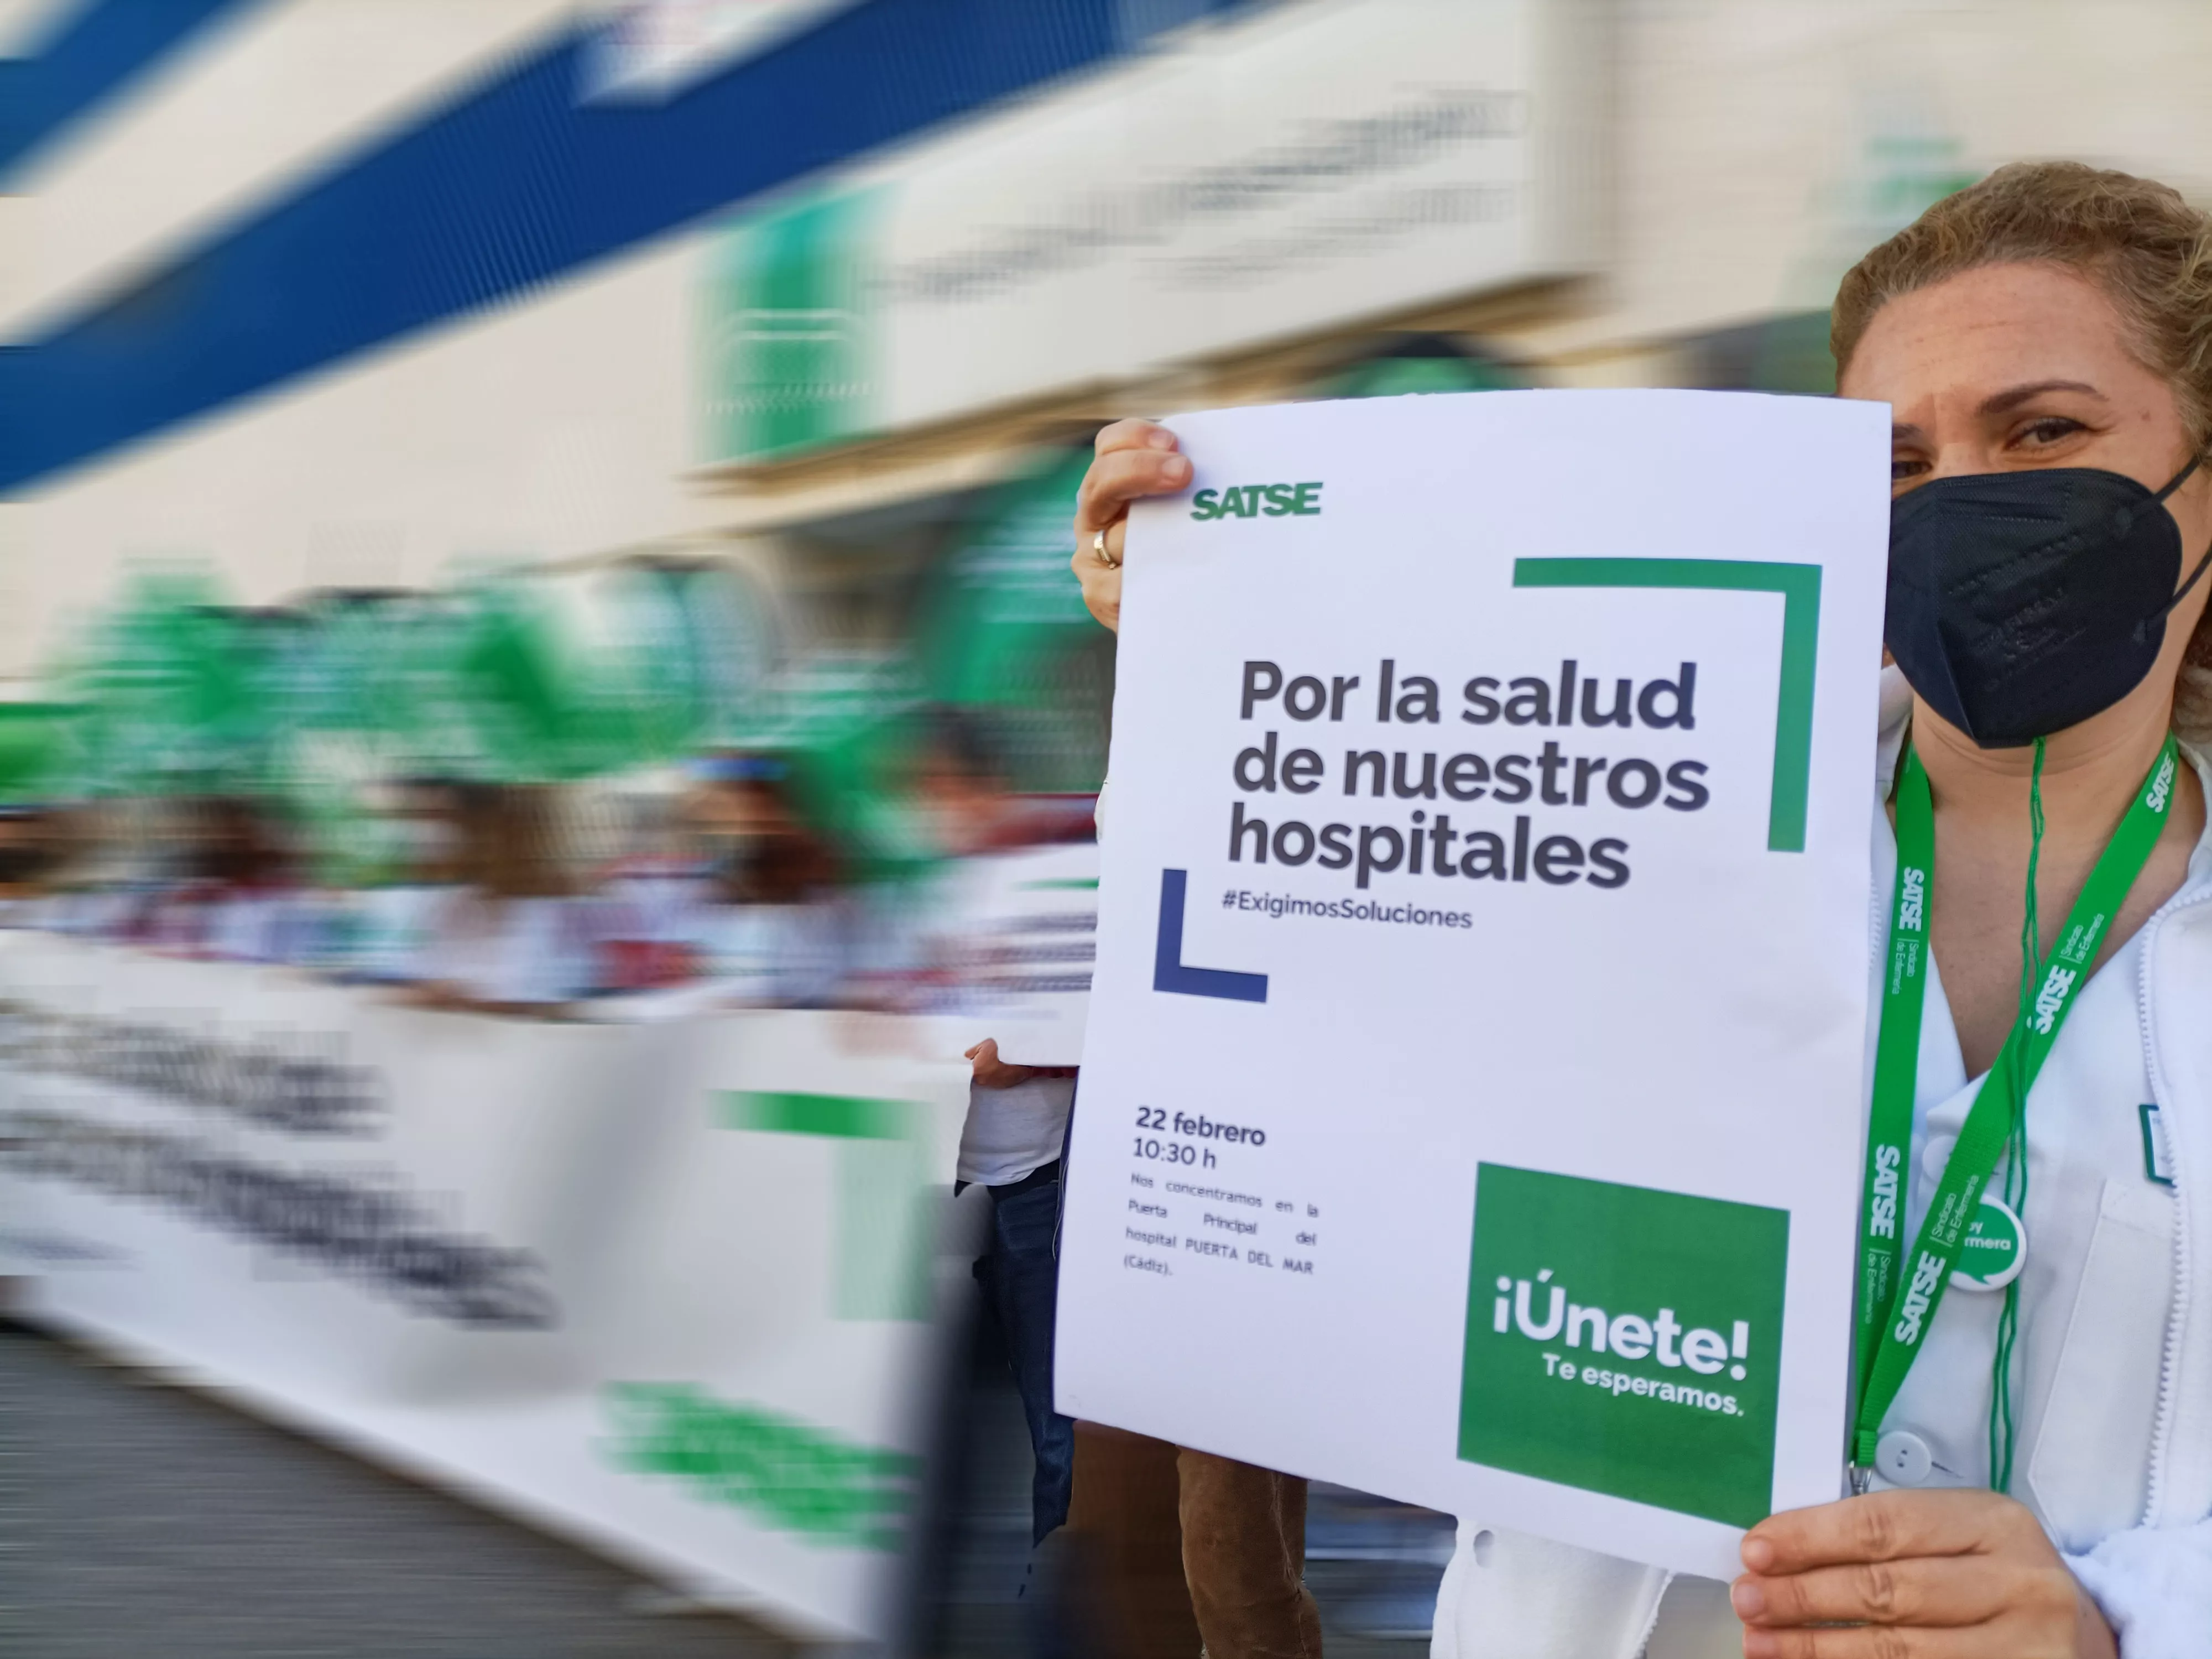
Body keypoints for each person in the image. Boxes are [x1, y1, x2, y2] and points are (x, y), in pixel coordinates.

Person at [1070, 161, 2212, 1659]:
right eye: (1903, 462)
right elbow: (1312, 992)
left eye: (2044, 429)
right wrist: (1218, 631)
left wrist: (2123, 1620)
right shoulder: (1628, 788)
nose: (1963, 506)